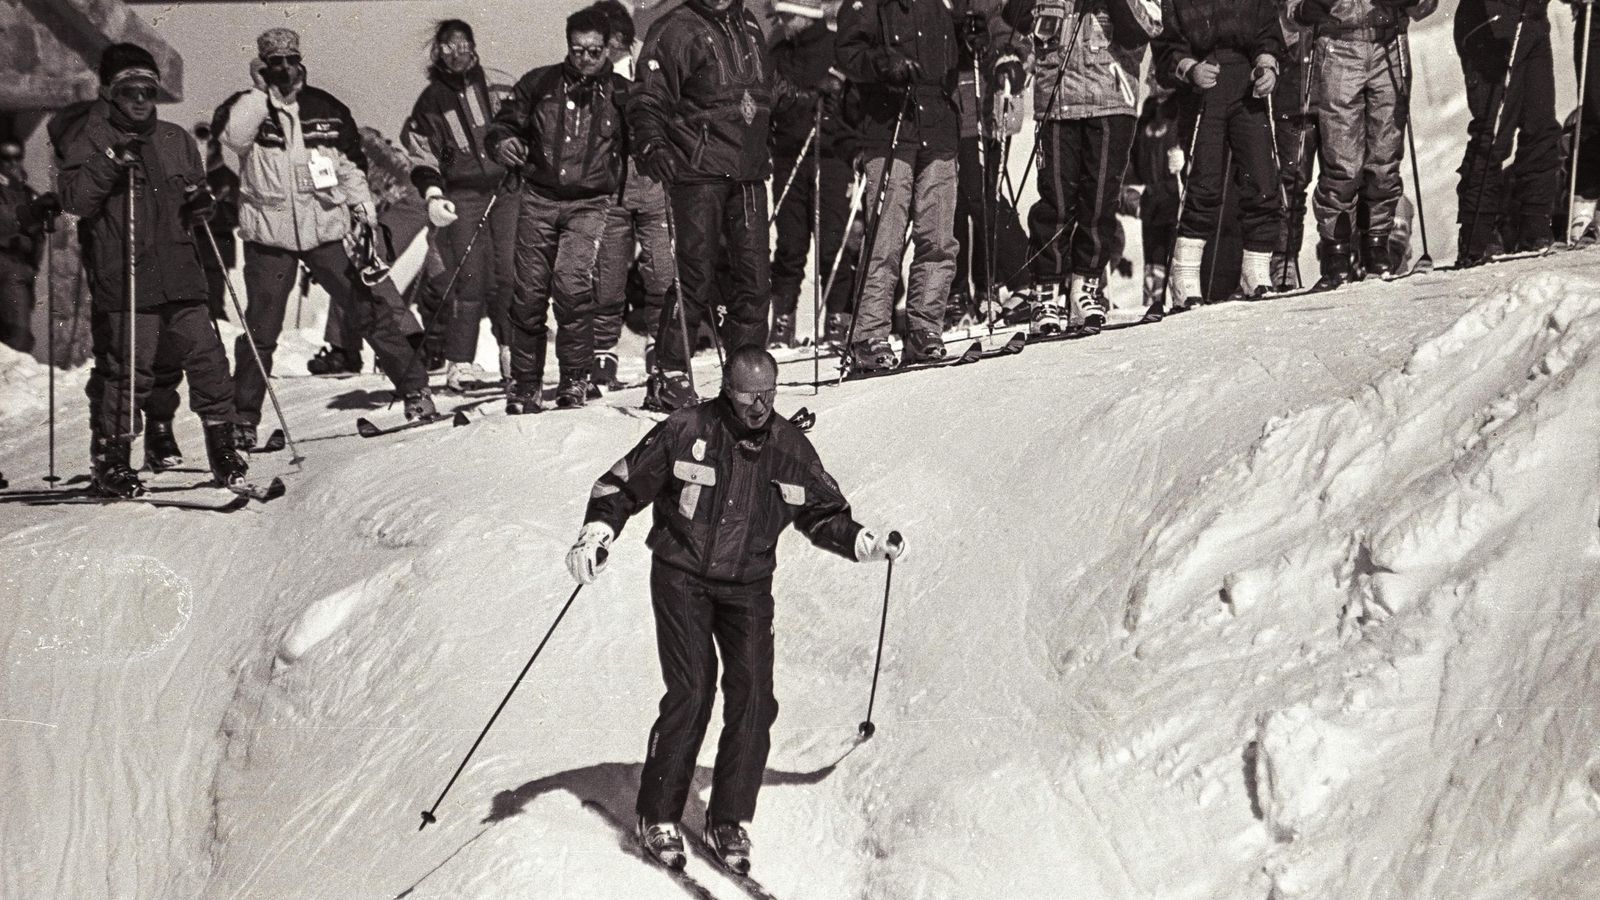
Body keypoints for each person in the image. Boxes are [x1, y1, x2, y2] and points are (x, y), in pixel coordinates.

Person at [565, 344, 903, 874]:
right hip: (681, 577)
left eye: (768, 396)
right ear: (728, 390)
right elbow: (621, 483)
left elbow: (824, 511)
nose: (760, 408)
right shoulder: (686, 429)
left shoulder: (789, 447)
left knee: (753, 699)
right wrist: (598, 531)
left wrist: (862, 540)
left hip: (747, 587)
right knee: (693, 692)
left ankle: (727, 819)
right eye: (749, 398)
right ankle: (657, 814)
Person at [218, 27, 434, 447]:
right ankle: (242, 418)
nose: (284, 69)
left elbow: (351, 165)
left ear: (301, 62)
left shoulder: (326, 108)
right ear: (262, 66)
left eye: (290, 61)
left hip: (326, 233)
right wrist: (263, 95)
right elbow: (233, 138)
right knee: (261, 330)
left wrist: (364, 210)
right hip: (269, 238)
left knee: (369, 309)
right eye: (274, 62)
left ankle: (416, 391)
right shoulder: (246, 108)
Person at [55, 43, 248, 497]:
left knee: (208, 361)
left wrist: (203, 204)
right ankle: (113, 460)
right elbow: (75, 201)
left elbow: (195, 194)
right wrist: (109, 162)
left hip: (181, 272)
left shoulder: (176, 138)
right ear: (109, 93)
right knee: (129, 372)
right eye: (129, 91)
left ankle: (222, 449)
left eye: (148, 90)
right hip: (126, 277)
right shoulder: (89, 137)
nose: (141, 100)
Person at [628, 0, 812, 411]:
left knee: (753, 280)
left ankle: (746, 379)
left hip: (747, 173)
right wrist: (651, 142)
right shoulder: (675, 28)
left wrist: (800, 99)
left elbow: (763, 86)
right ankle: (670, 374)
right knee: (694, 276)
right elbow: (646, 97)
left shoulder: (748, 24)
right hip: (698, 172)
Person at [835, 0, 1015, 372]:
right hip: (890, 126)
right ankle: (868, 334)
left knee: (938, 237)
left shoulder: (943, 4)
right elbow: (848, 52)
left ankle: (923, 329)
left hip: (939, 128)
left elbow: (962, 54)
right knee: (885, 237)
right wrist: (883, 64)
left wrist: (973, 41)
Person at [486, 8, 629, 412]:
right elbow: (502, 126)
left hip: (590, 202)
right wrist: (502, 144)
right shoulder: (540, 82)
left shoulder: (621, 91)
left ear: (609, 48)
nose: (585, 58)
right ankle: (526, 383)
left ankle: (574, 379)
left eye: (594, 51)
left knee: (571, 286)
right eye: (577, 50)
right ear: (567, 46)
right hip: (539, 198)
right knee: (529, 292)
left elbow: (647, 129)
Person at [1011, 0, 1160, 336]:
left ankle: (1086, 289)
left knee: (1098, 203)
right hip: (1058, 105)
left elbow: (1147, 28)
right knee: (1055, 202)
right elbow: (1013, 19)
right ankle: (1045, 293)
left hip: (1111, 101)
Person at [401, 19, 519, 394]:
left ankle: (513, 353)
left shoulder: (500, 84)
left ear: (473, 44)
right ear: (438, 52)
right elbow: (421, 154)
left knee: (510, 276)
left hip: (507, 191)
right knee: (469, 280)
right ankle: (460, 362)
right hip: (463, 196)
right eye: (449, 47)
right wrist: (433, 193)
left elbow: (526, 126)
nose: (458, 52)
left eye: (463, 43)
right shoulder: (431, 100)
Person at [1291, 0, 1434, 287]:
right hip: (1338, 46)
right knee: (1342, 161)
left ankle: (1378, 247)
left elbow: (1426, 6)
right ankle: (1337, 254)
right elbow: (1292, 13)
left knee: (1384, 158)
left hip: (1389, 45)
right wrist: (1312, 6)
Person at [1153, 0, 1286, 306]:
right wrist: (1189, 68)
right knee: (1204, 182)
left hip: (1247, 83)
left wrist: (1267, 65)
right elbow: (1165, 45)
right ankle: (1184, 278)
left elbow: (1268, 29)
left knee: (1262, 179)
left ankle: (1256, 271)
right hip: (1203, 85)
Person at [590, 0, 677, 392]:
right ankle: (604, 348)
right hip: (609, 188)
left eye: (602, 43)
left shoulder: (651, 64)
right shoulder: (588, 76)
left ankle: (661, 343)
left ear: (620, 39)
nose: (596, 52)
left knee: (661, 269)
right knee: (608, 273)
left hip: (652, 182)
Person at [767, 0, 855, 349]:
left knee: (833, 242)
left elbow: (855, 102)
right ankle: (782, 321)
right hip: (789, 155)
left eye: (787, 17)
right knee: (789, 244)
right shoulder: (777, 50)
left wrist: (836, 109)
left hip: (831, 156)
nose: (782, 24)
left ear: (806, 15)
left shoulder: (836, 47)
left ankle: (837, 318)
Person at [1454, 0, 1560, 264]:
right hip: (1489, 19)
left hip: (1533, 17)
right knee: (1493, 130)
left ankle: (1535, 224)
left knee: (1540, 123)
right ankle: (1478, 234)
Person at [0, 140, 59, 354]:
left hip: (24, 266)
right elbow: (6, 221)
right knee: (18, 335)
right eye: (5, 158)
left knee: (15, 333)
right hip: (6, 262)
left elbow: (37, 232)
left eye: (17, 157)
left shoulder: (26, 191)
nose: (11, 163)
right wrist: (33, 211)